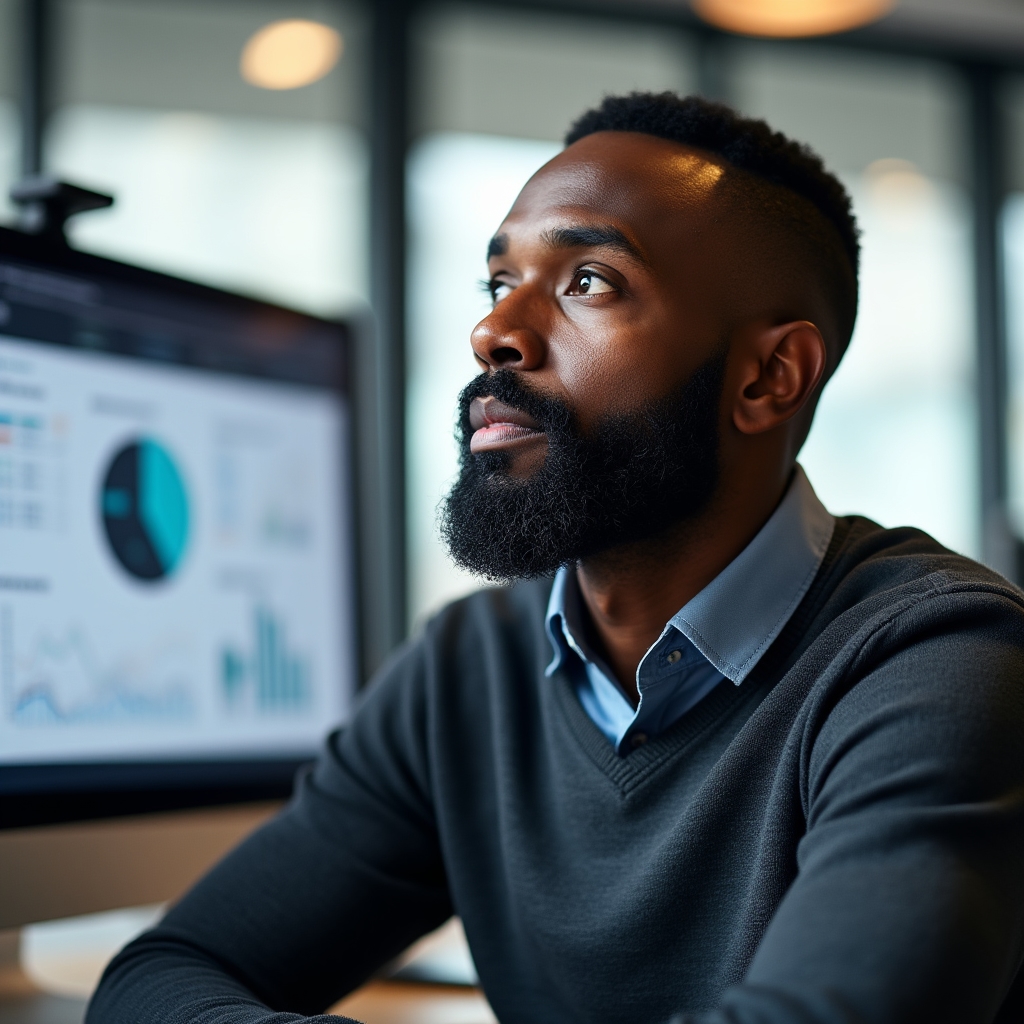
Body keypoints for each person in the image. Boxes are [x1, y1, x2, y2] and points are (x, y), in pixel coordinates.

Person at [88, 93, 1024, 1024]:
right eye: (500, 283)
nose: (493, 333)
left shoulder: (938, 658)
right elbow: (164, 975)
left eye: (589, 282)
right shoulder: (468, 667)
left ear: (766, 378)